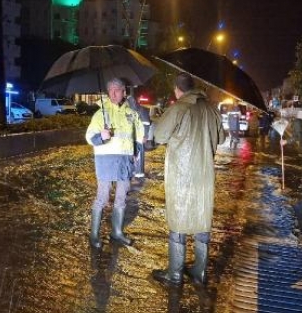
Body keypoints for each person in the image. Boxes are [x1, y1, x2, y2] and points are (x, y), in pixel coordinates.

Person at [151, 73, 226, 286]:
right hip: (204, 176)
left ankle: (175, 274)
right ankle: (199, 272)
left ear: (177, 89)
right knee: (202, 221)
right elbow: (221, 138)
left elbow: (159, 136)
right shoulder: (211, 109)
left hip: (181, 177)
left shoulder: (178, 108)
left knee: (178, 222)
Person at [85, 78, 145, 248]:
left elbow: (138, 135)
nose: (113, 93)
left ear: (124, 92)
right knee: (102, 197)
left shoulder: (131, 113)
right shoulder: (100, 114)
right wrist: (101, 137)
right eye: (110, 90)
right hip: (106, 162)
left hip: (125, 163)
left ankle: (116, 232)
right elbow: (89, 137)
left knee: (121, 198)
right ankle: (94, 235)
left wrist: (136, 151)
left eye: (117, 89)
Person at [125, 95, 150, 179]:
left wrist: (145, 135)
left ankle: (138, 173)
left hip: (138, 138)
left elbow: (146, 124)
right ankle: (133, 172)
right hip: (132, 138)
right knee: (133, 156)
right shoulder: (128, 110)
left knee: (138, 157)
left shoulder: (141, 110)